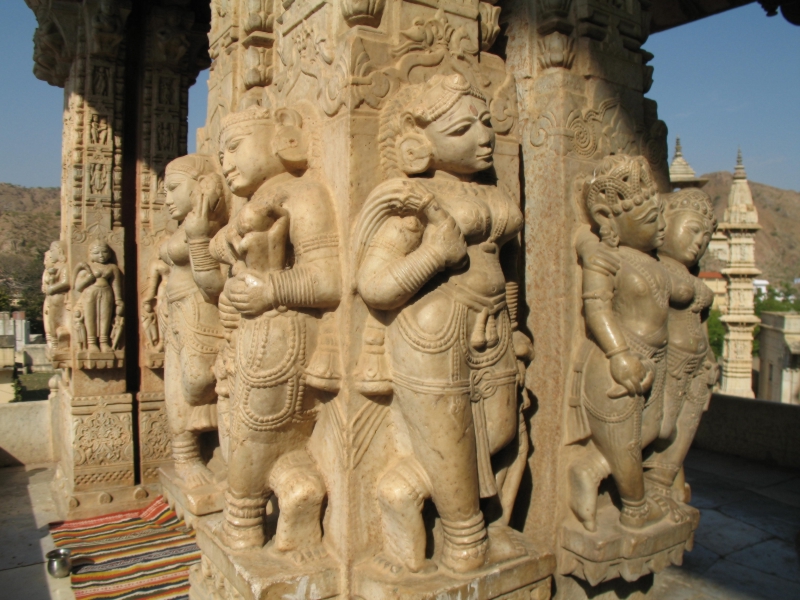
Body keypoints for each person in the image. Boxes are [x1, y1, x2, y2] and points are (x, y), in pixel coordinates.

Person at [354, 74, 533, 575]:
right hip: (432, 332)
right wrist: (434, 251)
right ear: (419, 145)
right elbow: (375, 284)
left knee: (498, 431)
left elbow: (507, 266)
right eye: (462, 129)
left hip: (492, 328)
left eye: (487, 123)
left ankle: (402, 490)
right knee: (450, 443)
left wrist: (514, 323)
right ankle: (464, 544)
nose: (484, 137)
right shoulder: (412, 202)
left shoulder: (492, 194)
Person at [210, 104, 341, 561]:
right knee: (247, 431)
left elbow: (328, 280)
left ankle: (245, 531)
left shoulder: (300, 194)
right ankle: (295, 490)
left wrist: (270, 288)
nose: (225, 161)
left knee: (254, 435)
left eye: (234, 147)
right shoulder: (255, 203)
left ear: (280, 141)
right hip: (253, 337)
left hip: (283, 335)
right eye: (219, 152)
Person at [568, 154, 670, 532]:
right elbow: (597, 309)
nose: (661, 226)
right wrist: (620, 354)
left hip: (652, 360)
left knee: (651, 430)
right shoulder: (605, 258)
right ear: (608, 219)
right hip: (616, 364)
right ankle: (636, 508)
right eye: (649, 220)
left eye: (660, 216)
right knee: (626, 444)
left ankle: (590, 469)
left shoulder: (649, 260)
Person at [150, 153, 228, 488]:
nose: (166, 200)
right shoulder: (187, 226)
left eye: (173, 189)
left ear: (199, 187)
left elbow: (213, 285)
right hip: (175, 312)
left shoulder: (208, 227)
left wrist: (196, 239)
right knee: (177, 384)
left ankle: (221, 452)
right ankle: (186, 457)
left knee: (199, 380)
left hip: (201, 311)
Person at [74, 241, 123, 353]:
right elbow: (78, 287)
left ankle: (104, 342)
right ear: (91, 254)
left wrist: (119, 300)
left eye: (104, 252)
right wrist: (88, 279)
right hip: (90, 293)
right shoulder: (88, 267)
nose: (101, 255)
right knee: (90, 317)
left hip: (107, 292)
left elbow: (116, 285)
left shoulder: (112, 267)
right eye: (97, 252)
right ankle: (92, 343)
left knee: (105, 318)